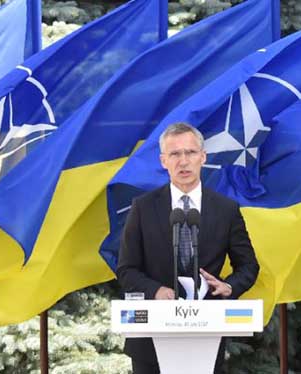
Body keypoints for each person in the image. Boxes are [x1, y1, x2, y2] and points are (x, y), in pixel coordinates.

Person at [117, 122, 260, 374]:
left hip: (206, 334)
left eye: (190, 153)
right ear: (164, 161)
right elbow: (127, 269)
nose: (183, 161)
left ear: (202, 157)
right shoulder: (143, 207)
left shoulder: (226, 209)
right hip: (150, 340)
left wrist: (229, 287)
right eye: (175, 154)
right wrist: (156, 290)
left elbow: (248, 265)